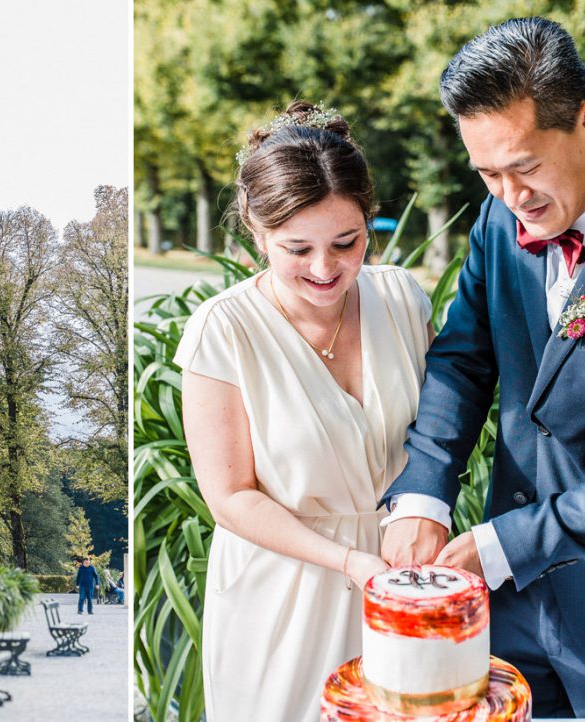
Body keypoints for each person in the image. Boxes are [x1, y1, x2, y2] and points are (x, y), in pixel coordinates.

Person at [380, 17, 585, 718]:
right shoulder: (497, 221)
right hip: (511, 611)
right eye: (488, 173)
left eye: (525, 167)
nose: (510, 197)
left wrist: (506, 545)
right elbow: (465, 358)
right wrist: (426, 489)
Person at [176, 100, 433, 722]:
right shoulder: (222, 330)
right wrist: (348, 561)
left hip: (399, 581)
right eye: (297, 249)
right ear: (257, 234)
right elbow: (230, 497)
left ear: (368, 223)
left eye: (346, 243)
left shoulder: (402, 298)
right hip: (284, 593)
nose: (325, 269)